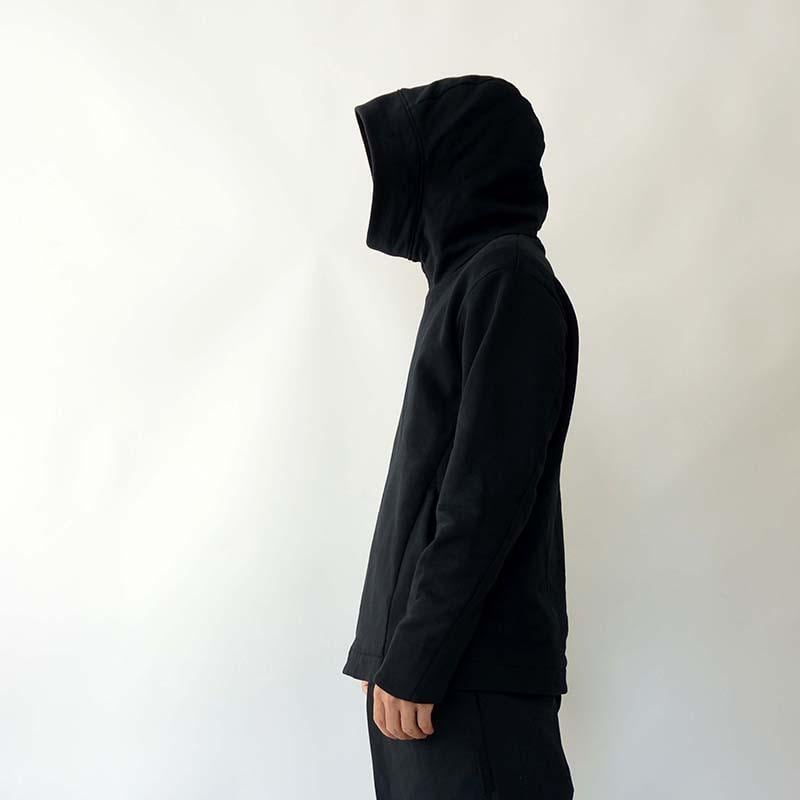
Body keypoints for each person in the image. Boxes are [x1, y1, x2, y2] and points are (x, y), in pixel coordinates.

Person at [342, 74, 579, 799]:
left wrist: (416, 654)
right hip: (435, 672)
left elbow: (486, 494)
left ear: (458, 161)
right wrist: (389, 651)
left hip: (460, 672)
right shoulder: (471, 283)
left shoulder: (507, 278)